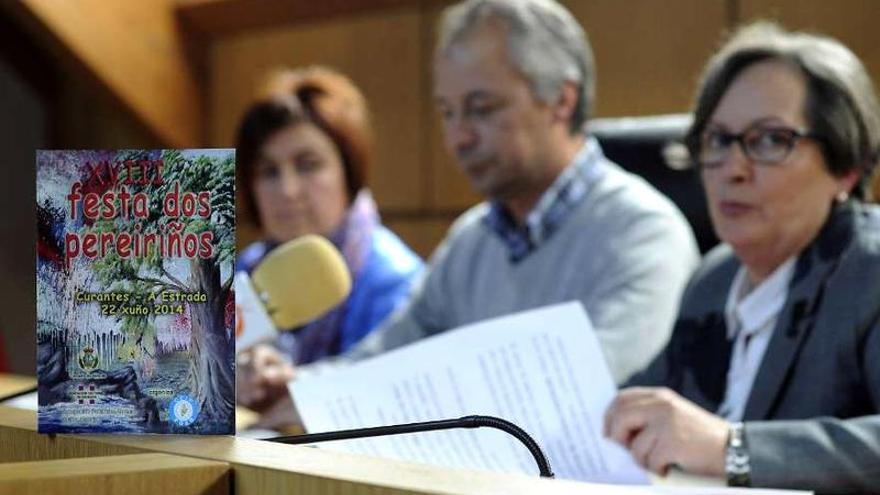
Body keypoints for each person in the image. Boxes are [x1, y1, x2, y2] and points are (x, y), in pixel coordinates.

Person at [245, 0, 699, 427]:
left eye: (481, 109)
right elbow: (384, 360)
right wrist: (299, 388)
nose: (457, 138)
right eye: (447, 112)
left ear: (561, 101)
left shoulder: (645, 235)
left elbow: (581, 397)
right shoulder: (472, 239)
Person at [604, 23, 880, 492]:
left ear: (845, 169)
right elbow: (640, 408)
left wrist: (731, 448)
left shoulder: (869, 271)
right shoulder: (714, 279)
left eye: (771, 140)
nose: (733, 168)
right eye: (717, 140)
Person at [235, 67, 423, 409]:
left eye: (308, 165)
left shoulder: (396, 282)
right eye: (269, 172)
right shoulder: (243, 270)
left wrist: (293, 388)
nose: (288, 191)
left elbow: (386, 401)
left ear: (348, 174)